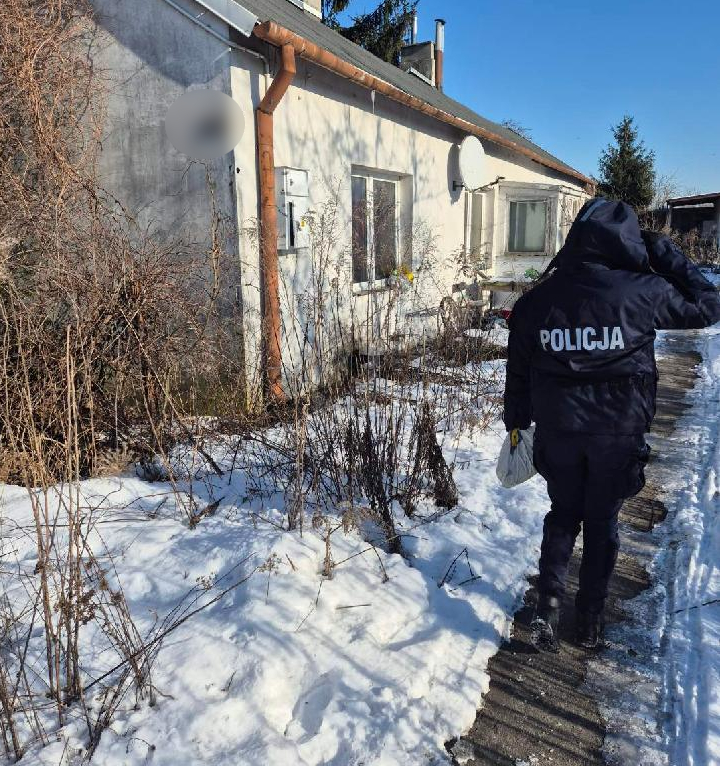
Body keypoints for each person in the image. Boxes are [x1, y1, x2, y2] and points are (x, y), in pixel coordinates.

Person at [503, 198, 720, 652]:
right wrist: (665, 253)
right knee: (601, 521)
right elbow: (708, 305)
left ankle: (548, 607)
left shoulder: (537, 300)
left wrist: (517, 420)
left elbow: (518, 368)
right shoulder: (643, 292)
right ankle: (589, 620)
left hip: (559, 431)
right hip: (617, 433)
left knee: (563, 514)